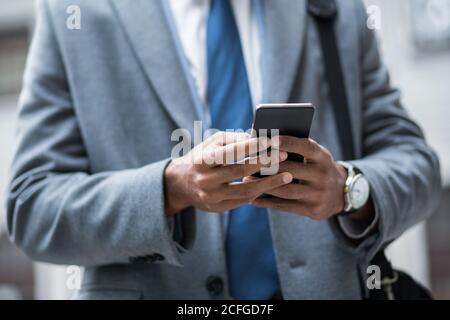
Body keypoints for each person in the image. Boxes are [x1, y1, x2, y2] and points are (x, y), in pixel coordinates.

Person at [6, 0, 441, 299]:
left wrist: (349, 189)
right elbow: (32, 206)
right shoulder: (73, 13)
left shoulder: (334, 8)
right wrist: (167, 191)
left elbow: (416, 164)